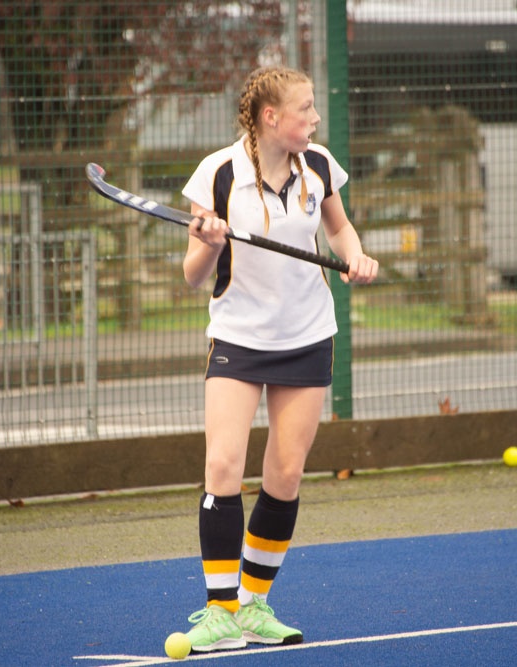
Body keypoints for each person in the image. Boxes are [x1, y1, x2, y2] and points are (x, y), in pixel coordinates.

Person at [178, 65, 378, 653]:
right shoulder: (217, 173)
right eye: (305, 109)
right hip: (239, 337)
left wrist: (357, 256)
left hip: (307, 335)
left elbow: (340, 231)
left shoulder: (319, 165)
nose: (314, 118)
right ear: (272, 117)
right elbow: (192, 276)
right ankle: (220, 611)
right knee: (223, 465)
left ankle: (254, 605)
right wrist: (209, 244)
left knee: (285, 474)